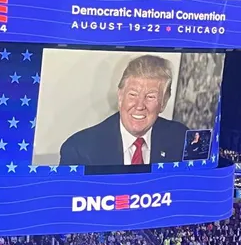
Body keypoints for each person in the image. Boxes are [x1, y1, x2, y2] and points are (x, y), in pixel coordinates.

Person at [59, 54, 188, 165]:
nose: (139, 106)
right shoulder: (79, 150)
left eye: (150, 96)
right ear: (120, 97)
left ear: (163, 102)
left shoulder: (181, 139)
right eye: (133, 94)